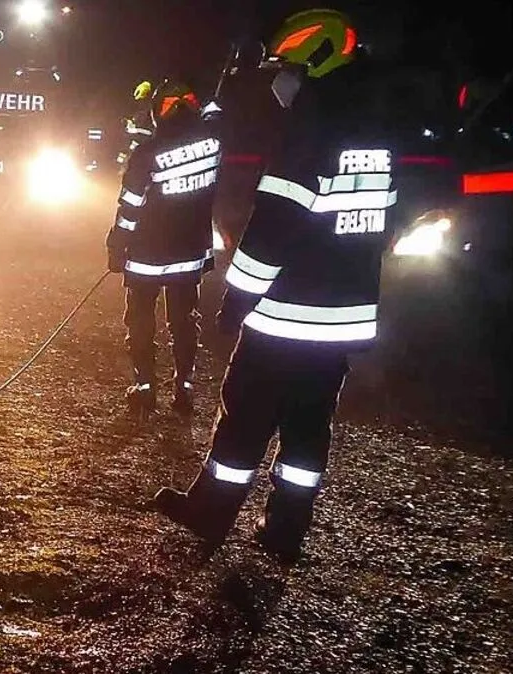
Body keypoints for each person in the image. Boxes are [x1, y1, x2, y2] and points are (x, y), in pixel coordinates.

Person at [154, 9, 398, 560]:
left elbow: (272, 231)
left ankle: (211, 513)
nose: (277, 77)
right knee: (309, 426)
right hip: (344, 318)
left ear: (315, 61)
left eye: (284, 65)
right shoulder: (375, 130)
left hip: (290, 312)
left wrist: (235, 300)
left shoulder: (312, 130)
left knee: (245, 413)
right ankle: (285, 531)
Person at [106, 78, 224, 420]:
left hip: (147, 257)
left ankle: (144, 389)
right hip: (190, 255)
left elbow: (129, 208)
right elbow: (217, 112)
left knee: (141, 321)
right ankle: (184, 387)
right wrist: (212, 95)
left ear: (158, 114)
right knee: (184, 321)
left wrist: (117, 246)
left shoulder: (147, 155)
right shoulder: (214, 143)